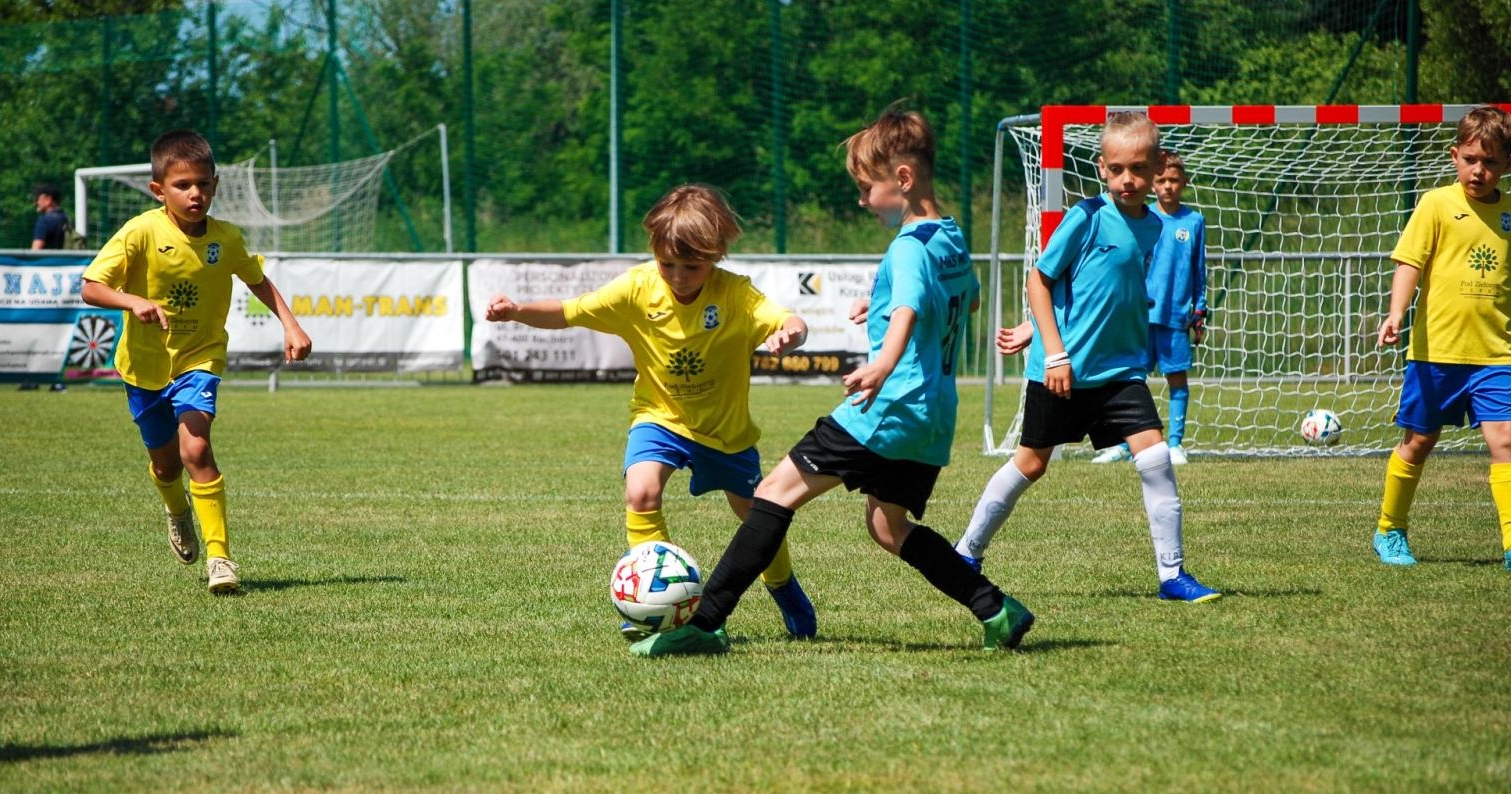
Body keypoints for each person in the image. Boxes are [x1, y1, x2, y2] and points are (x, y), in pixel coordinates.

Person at [631, 106, 1032, 657]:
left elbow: (911, 308)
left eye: (867, 188)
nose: (863, 200)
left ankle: (704, 623)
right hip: (934, 417)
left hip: (887, 406)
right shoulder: (951, 238)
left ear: (903, 178)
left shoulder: (909, 245)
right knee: (888, 528)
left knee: (772, 494)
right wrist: (880, 302)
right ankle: (997, 609)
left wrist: (883, 362)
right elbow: (968, 300)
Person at [484, 184, 818, 638]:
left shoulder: (735, 294)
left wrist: (791, 333)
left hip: (725, 431)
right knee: (641, 493)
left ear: (715, 255)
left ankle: (783, 587)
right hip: (658, 416)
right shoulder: (637, 288)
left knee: (756, 517)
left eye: (691, 266)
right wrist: (517, 310)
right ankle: (656, 602)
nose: (678, 276)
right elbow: (569, 311)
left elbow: (788, 320)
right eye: (667, 264)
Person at [955, 111, 1220, 604]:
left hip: (1120, 371)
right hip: (1064, 371)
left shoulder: (1155, 228)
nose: (1128, 179)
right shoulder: (1086, 217)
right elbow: (1040, 280)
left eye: (1138, 169)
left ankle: (1172, 575)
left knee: (1155, 456)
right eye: (1117, 169)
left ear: (1157, 168)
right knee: (1031, 464)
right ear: (1101, 168)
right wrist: (1051, 348)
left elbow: (1104, 289)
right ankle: (967, 551)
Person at [80, 129, 312, 594]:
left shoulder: (225, 238)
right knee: (167, 467)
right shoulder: (141, 231)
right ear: (158, 190)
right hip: (144, 367)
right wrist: (132, 301)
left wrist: (291, 325)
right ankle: (176, 509)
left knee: (197, 450)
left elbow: (257, 279)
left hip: (199, 358)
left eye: (203, 184)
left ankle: (220, 558)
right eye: (183, 185)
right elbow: (91, 287)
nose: (195, 194)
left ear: (215, 185)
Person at [1372, 105, 1511, 571]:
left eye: (1490, 162)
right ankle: (1390, 529)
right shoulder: (1435, 204)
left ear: (1507, 164)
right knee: (1419, 440)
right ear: (1454, 157)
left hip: (1497, 353)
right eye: (1470, 159)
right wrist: (1396, 313)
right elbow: (1409, 263)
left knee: (1506, 440)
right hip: (1437, 352)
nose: (1479, 170)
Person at [1091, 151, 1207, 465]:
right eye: (1162, 180)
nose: (1168, 186)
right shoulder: (1142, 218)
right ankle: (1124, 445)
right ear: (1152, 183)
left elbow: (1199, 270)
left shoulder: (1194, 222)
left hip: (1175, 317)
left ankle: (1175, 444)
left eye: (1174, 180)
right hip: (1138, 317)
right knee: (1130, 380)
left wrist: (1200, 309)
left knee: (1177, 378)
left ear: (1185, 182)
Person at [30, 182, 70, 250]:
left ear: (48, 200)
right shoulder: (66, 219)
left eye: (37, 199)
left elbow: (36, 250)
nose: (36, 203)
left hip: (48, 257)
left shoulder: (44, 221)